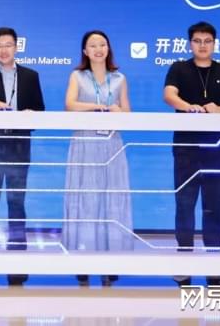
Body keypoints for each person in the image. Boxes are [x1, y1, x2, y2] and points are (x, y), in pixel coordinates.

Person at [162, 21, 220, 288]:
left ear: (214, 43)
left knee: (213, 207)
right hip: (185, 149)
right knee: (184, 206)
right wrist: (189, 107)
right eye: (197, 41)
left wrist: (217, 110)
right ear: (190, 43)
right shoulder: (179, 68)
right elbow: (169, 95)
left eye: (207, 41)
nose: (202, 45)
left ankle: (213, 265)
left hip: (216, 150)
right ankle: (184, 264)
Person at [0, 26, 45, 288]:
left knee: (16, 203)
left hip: (18, 146)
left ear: (16, 47)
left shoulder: (30, 76)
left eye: (8, 45)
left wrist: (30, 114)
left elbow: (40, 108)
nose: (3, 50)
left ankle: (17, 263)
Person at [62, 29, 133, 287]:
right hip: (85, 143)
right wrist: (97, 107)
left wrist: (116, 111)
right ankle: (83, 258)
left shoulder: (119, 78)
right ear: (85, 51)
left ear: (108, 48)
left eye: (102, 44)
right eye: (92, 45)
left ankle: (111, 259)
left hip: (111, 143)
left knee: (111, 196)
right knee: (86, 197)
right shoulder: (77, 76)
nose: (98, 49)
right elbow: (70, 105)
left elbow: (128, 112)